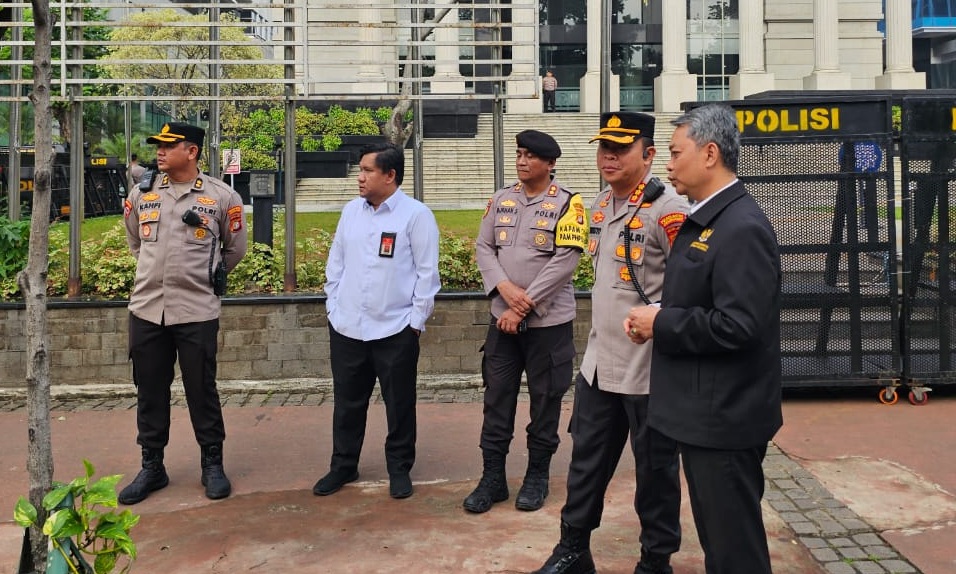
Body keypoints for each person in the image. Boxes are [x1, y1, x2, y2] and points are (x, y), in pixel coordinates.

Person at [624, 104, 783, 574]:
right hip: (706, 415)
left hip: (725, 419)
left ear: (710, 153)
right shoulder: (713, 218)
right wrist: (660, 314)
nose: (668, 164)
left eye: (675, 153)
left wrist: (663, 325)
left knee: (735, 551)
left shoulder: (740, 227)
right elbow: (708, 303)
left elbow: (739, 325)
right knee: (720, 543)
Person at [532, 113, 688, 574]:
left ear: (649, 155)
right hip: (599, 366)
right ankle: (573, 549)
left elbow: (688, 289)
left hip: (651, 369)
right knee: (586, 463)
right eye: (604, 147)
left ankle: (655, 560)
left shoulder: (669, 211)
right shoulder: (597, 207)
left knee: (656, 472)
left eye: (621, 148)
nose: (610, 156)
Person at [119, 122, 248, 504]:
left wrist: (201, 277)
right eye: (157, 146)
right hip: (146, 310)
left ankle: (212, 464)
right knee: (149, 391)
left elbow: (234, 249)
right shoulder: (142, 195)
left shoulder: (222, 197)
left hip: (196, 311)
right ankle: (152, 466)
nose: (158, 152)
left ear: (191, 152)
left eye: (167, 146)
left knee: (201, 390)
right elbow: (133, 241)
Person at [465, 130, 587, 514]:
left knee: (546, 401)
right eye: (519, 154)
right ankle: (493, 479)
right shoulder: (501, 198)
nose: (522, 161)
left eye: (531, 156)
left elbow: (566, 260)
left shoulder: (570, 204)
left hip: (547, 325)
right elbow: (484, 247)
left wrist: (525, 304)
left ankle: (536, 476)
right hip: (501, 321)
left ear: (550, 164)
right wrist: (504, 289)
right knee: (496, 399)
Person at [313, 142, 440, 500]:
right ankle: (343, 465)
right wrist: (333, 308)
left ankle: (399, 468)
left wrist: (414, 323)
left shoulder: (415, 216)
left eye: (368, 170)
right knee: (347, 402)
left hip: (395, 329)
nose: (360, 177)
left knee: (399, 403)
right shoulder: (351, 212)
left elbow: (427, 275)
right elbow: (335, 263)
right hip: (348, 327)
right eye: (361, 169)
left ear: (390, 175)